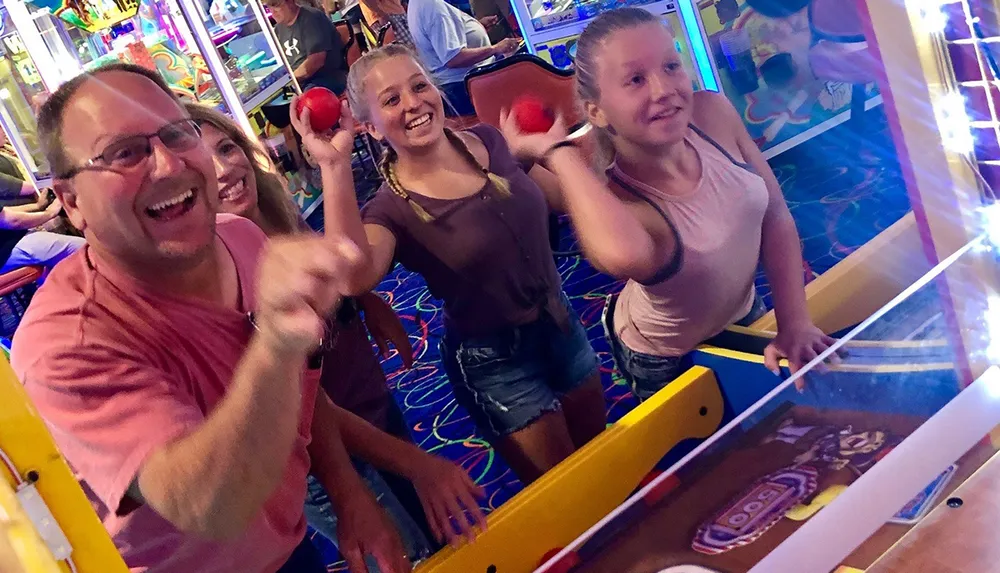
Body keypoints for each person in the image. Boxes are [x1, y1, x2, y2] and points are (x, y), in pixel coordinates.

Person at [12, 62, 483, 573]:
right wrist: (277, 340)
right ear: (71, 201)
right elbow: (207, 506)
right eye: (124, 153)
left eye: (176, 134)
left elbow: (305, 390)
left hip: (283, 537)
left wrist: (349, 494)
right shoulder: (65, 342)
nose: (169, 166)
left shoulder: (238, 235)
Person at [290, 44, 607, 485]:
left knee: (607, 459)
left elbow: (560, 199)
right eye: (391, 100)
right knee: (572, 493)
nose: (413, 103)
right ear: (371, 127)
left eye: (419, 86)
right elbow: (351, 275)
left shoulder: (491, 142)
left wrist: (558, 150)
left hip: (562, 324)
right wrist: (334, 164)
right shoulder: (391, 209)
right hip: (496, 365)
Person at [515, 8, 835, 401]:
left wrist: (794, 321)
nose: (663, 89)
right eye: (636, 79)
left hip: (745, 312)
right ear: (596, 110)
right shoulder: (610, 190)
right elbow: (623, 254)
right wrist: (557, 154)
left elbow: (775, 215)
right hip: (667, 356)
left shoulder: (713, 112)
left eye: (671, 65)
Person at [185, 102, 451, 559]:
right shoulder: (220, 272)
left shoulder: (271, 216)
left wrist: (366, 300)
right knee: (409, 555)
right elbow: (310, 412)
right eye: (204, 162)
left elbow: (333, 264)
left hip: (368, 401)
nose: (226, 168)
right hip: (332, 456)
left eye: (228, 148)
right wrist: (411, 462)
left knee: (438, 533)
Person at [406, 0, 519, 116]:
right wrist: (496, 48)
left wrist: (474, 28)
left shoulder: (418, 3)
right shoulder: (433, 6)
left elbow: (442, 38)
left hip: (460, 86)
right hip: (463, 88)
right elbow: (453, 58)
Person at [267, 0, 349, 95]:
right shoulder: (278, 29)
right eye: (268, 7)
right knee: (276, 104)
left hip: (326, 78)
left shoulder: (312, 18)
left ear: (290, 2)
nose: (272, 11)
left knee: (306, 103)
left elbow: (315, 62)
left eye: (275, 5)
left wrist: (289, 80)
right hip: (298, 83)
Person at [0, 192, 85, 275]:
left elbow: (5, 212)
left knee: (53, 225)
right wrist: (49, 213)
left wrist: (38, 206)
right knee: (84, 247)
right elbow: (13, 221)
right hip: (8, 248)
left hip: (13, 237)